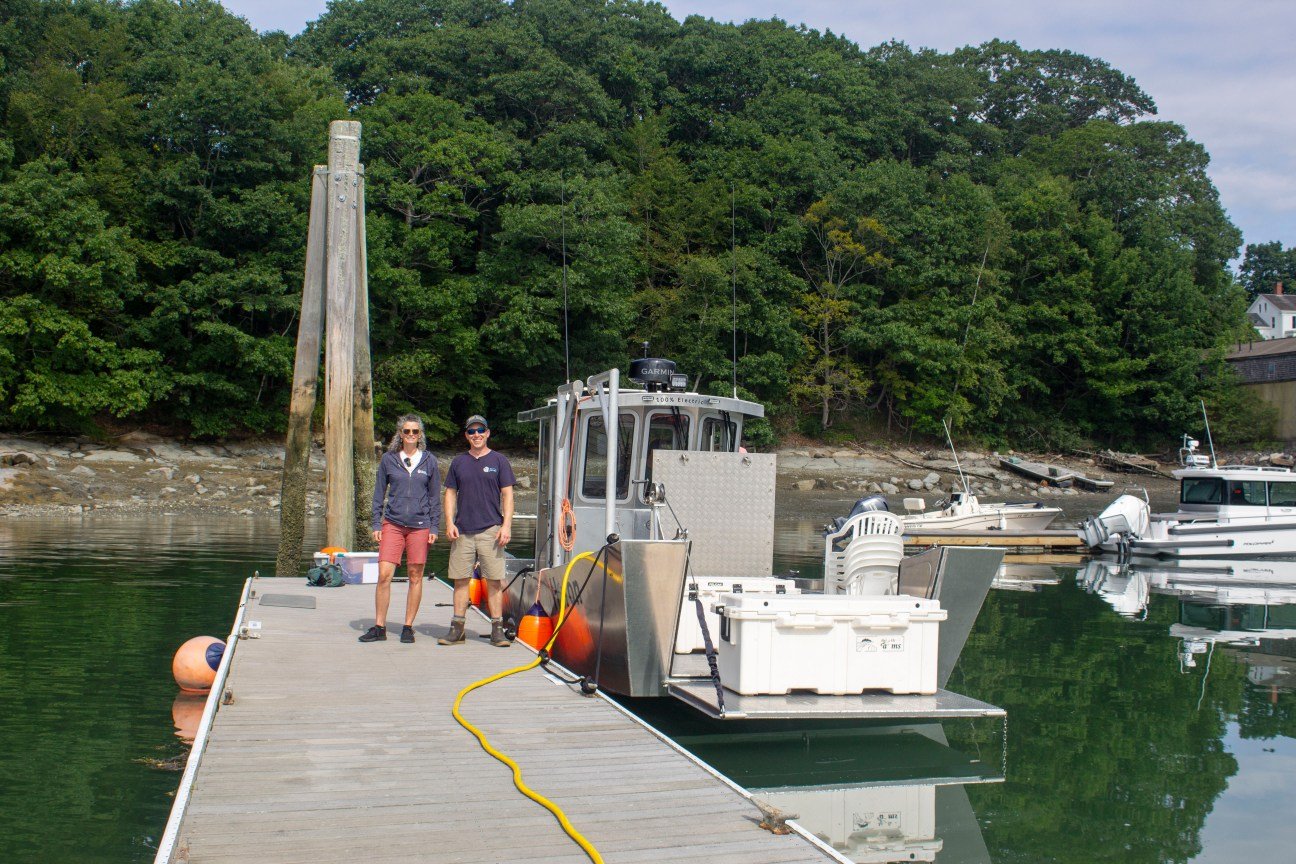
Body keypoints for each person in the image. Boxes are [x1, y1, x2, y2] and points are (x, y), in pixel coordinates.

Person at [360, 414, 441, 644]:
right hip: (393, 524)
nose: (411, 435)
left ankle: (407, 626)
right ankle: (379, 626)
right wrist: (377, 522)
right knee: (384, 574)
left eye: (415, 431)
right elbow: (379, 493)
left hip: (420, 526)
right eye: (407, 431)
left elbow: (435, 497)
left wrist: (434, 526)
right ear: (400, 434)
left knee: (415, 575)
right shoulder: (389, 459)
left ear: (420, 435)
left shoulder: (429, 461)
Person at [438, 414, 516, 647]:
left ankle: (497, 629)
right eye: (471, 432)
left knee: (493, 580)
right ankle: (457, 629)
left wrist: (506, 526)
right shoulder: (458, 462)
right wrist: (449, 523)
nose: (476, 435)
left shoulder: (500, 460)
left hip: (491, 529)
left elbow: (508, 494)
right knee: (461, 581)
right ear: (466, 436)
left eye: (480, 430)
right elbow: (450, 493)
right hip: (462, 530)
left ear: (488, 433)